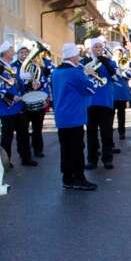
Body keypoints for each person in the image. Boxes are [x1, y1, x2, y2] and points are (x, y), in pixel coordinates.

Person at [52, 43, 99, 190]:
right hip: (74, 116)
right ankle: (79, 178)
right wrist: (90, 74)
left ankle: (67, 178)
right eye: (77, 55)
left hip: (61, 116)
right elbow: (91, 89)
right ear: (72, 56)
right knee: (77, 148)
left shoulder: (56, 72)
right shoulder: (74, 72)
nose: (79, 57)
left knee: (65, 149)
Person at [0, 41, 35, 167]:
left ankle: (26, 158)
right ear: (6, 52)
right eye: (12, 49)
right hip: (6, 107)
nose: (14, 51)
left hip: (18, 106)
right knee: (7, 137)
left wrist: (30, 86)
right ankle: (5, 162)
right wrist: (12, 97)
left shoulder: (12, 66)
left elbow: (18, 83)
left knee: (23, 134)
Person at [84, 37, 118, 170]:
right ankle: (92, 160)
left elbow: (115, 78)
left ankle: (107, 159)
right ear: (91, 49)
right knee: (91, 133)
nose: (98, 49)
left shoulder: (109, 62)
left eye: (99, 47)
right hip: (90, 102)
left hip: (105, 102)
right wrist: (87, 72)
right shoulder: (85, 62)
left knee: (106, 133)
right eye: (95, 47)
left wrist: (106, 63)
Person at [111, 46, 131, 141]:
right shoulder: (110, 62)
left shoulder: (124, 61)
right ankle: (109, 130)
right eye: (116, 52)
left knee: (121, 114)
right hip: (111, 92)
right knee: (110, 114)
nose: (118, 54)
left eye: (120, 53)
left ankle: (122, 132)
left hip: (122, 92)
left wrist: (122, 72)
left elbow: (129, 75)